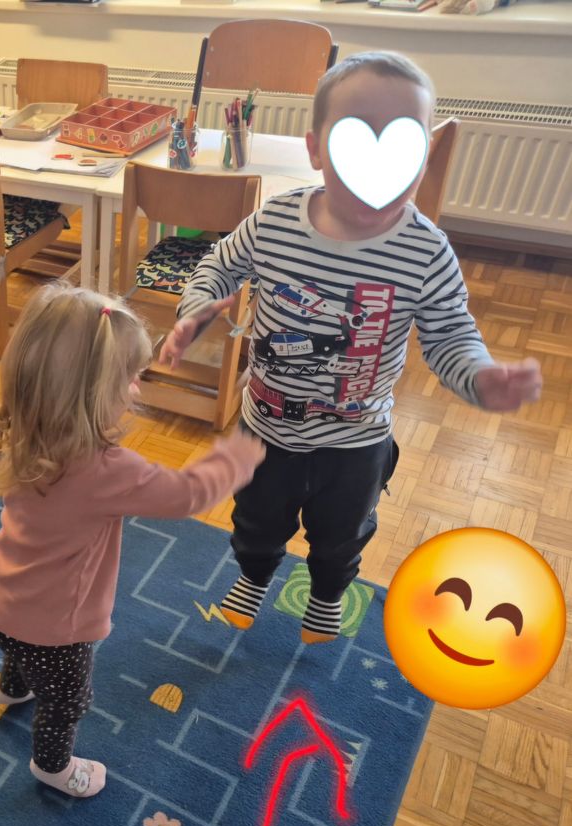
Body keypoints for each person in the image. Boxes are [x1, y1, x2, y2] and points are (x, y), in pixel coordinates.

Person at [160, 52, 542, 643]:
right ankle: (255, 576)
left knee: (342, 534)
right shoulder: (274, 222)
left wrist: (478, 375)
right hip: (265, 429)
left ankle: (327, 595)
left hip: (357, 440)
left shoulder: (426, 251)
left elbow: (450, 333)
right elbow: (218, 266)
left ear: (423, 158)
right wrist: (196, 309)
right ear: (316, 150)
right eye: (357, 142)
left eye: (403, 147)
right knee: (255, 521)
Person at [0, 285, 264, 798]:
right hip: (56, 630)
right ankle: (52, 767)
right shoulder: (107, 470)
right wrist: (235, 458)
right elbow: (187, 494)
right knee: (67, 700)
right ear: (90, 395)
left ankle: (12, 689)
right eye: (129, 378)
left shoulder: (19, 427)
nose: (135, 389)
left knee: (20, 651)